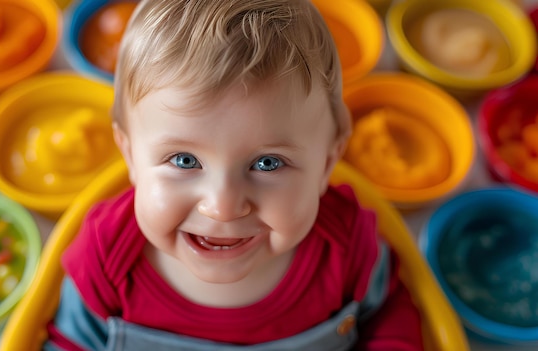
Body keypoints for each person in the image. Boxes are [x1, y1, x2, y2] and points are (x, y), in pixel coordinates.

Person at [45, 0, 424, 350]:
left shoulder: (348, 247)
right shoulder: (105, 261)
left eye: (267, 164)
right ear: (130, 155)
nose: (222, 207)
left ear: (327, 163)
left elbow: (388, 314)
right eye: (183, 160)